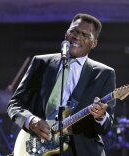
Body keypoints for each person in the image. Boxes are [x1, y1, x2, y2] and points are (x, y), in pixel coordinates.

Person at [7, 13, 116, 156]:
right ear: (67, 33)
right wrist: (31, 121)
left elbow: (106, 126)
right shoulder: (41, 63)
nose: (77, 37)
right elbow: (15, 103)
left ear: (94, 43)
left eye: (85, 35)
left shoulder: (105, 74)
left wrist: (101, 116)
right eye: (74, 31)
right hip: (39, 147)